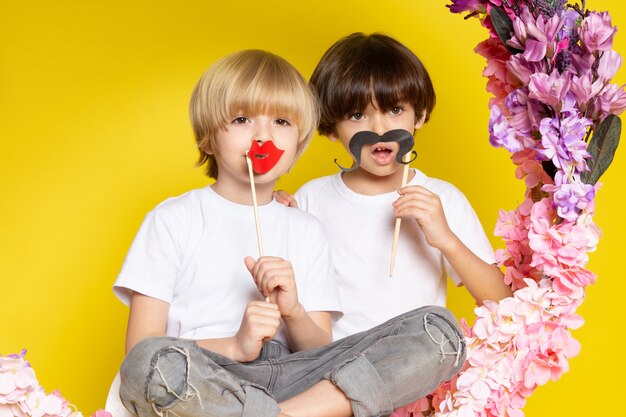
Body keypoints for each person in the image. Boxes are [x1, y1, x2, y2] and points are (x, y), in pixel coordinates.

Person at [114, 49, 466, 417]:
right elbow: (141, 348)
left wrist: (293, 310)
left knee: (438, 330)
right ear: (207, 137)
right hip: (209, 375)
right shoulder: (173, 219)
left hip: (299, 381)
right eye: (241, 119)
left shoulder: (306, 227)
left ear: (299, 142)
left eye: (282, 121)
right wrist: (236, 345)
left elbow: (318, 348)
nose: (263, 136)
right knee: (148, 364)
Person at [276, 32, 513, 341]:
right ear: (332, 127)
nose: (379, 129)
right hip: (335, 362)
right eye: (358, 114)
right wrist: (281, 226)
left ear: (420, 114)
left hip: (414, 361)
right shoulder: (312, 198)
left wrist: (446, 239)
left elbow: (502, 303)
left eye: (394, 110)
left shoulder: (442, 198)